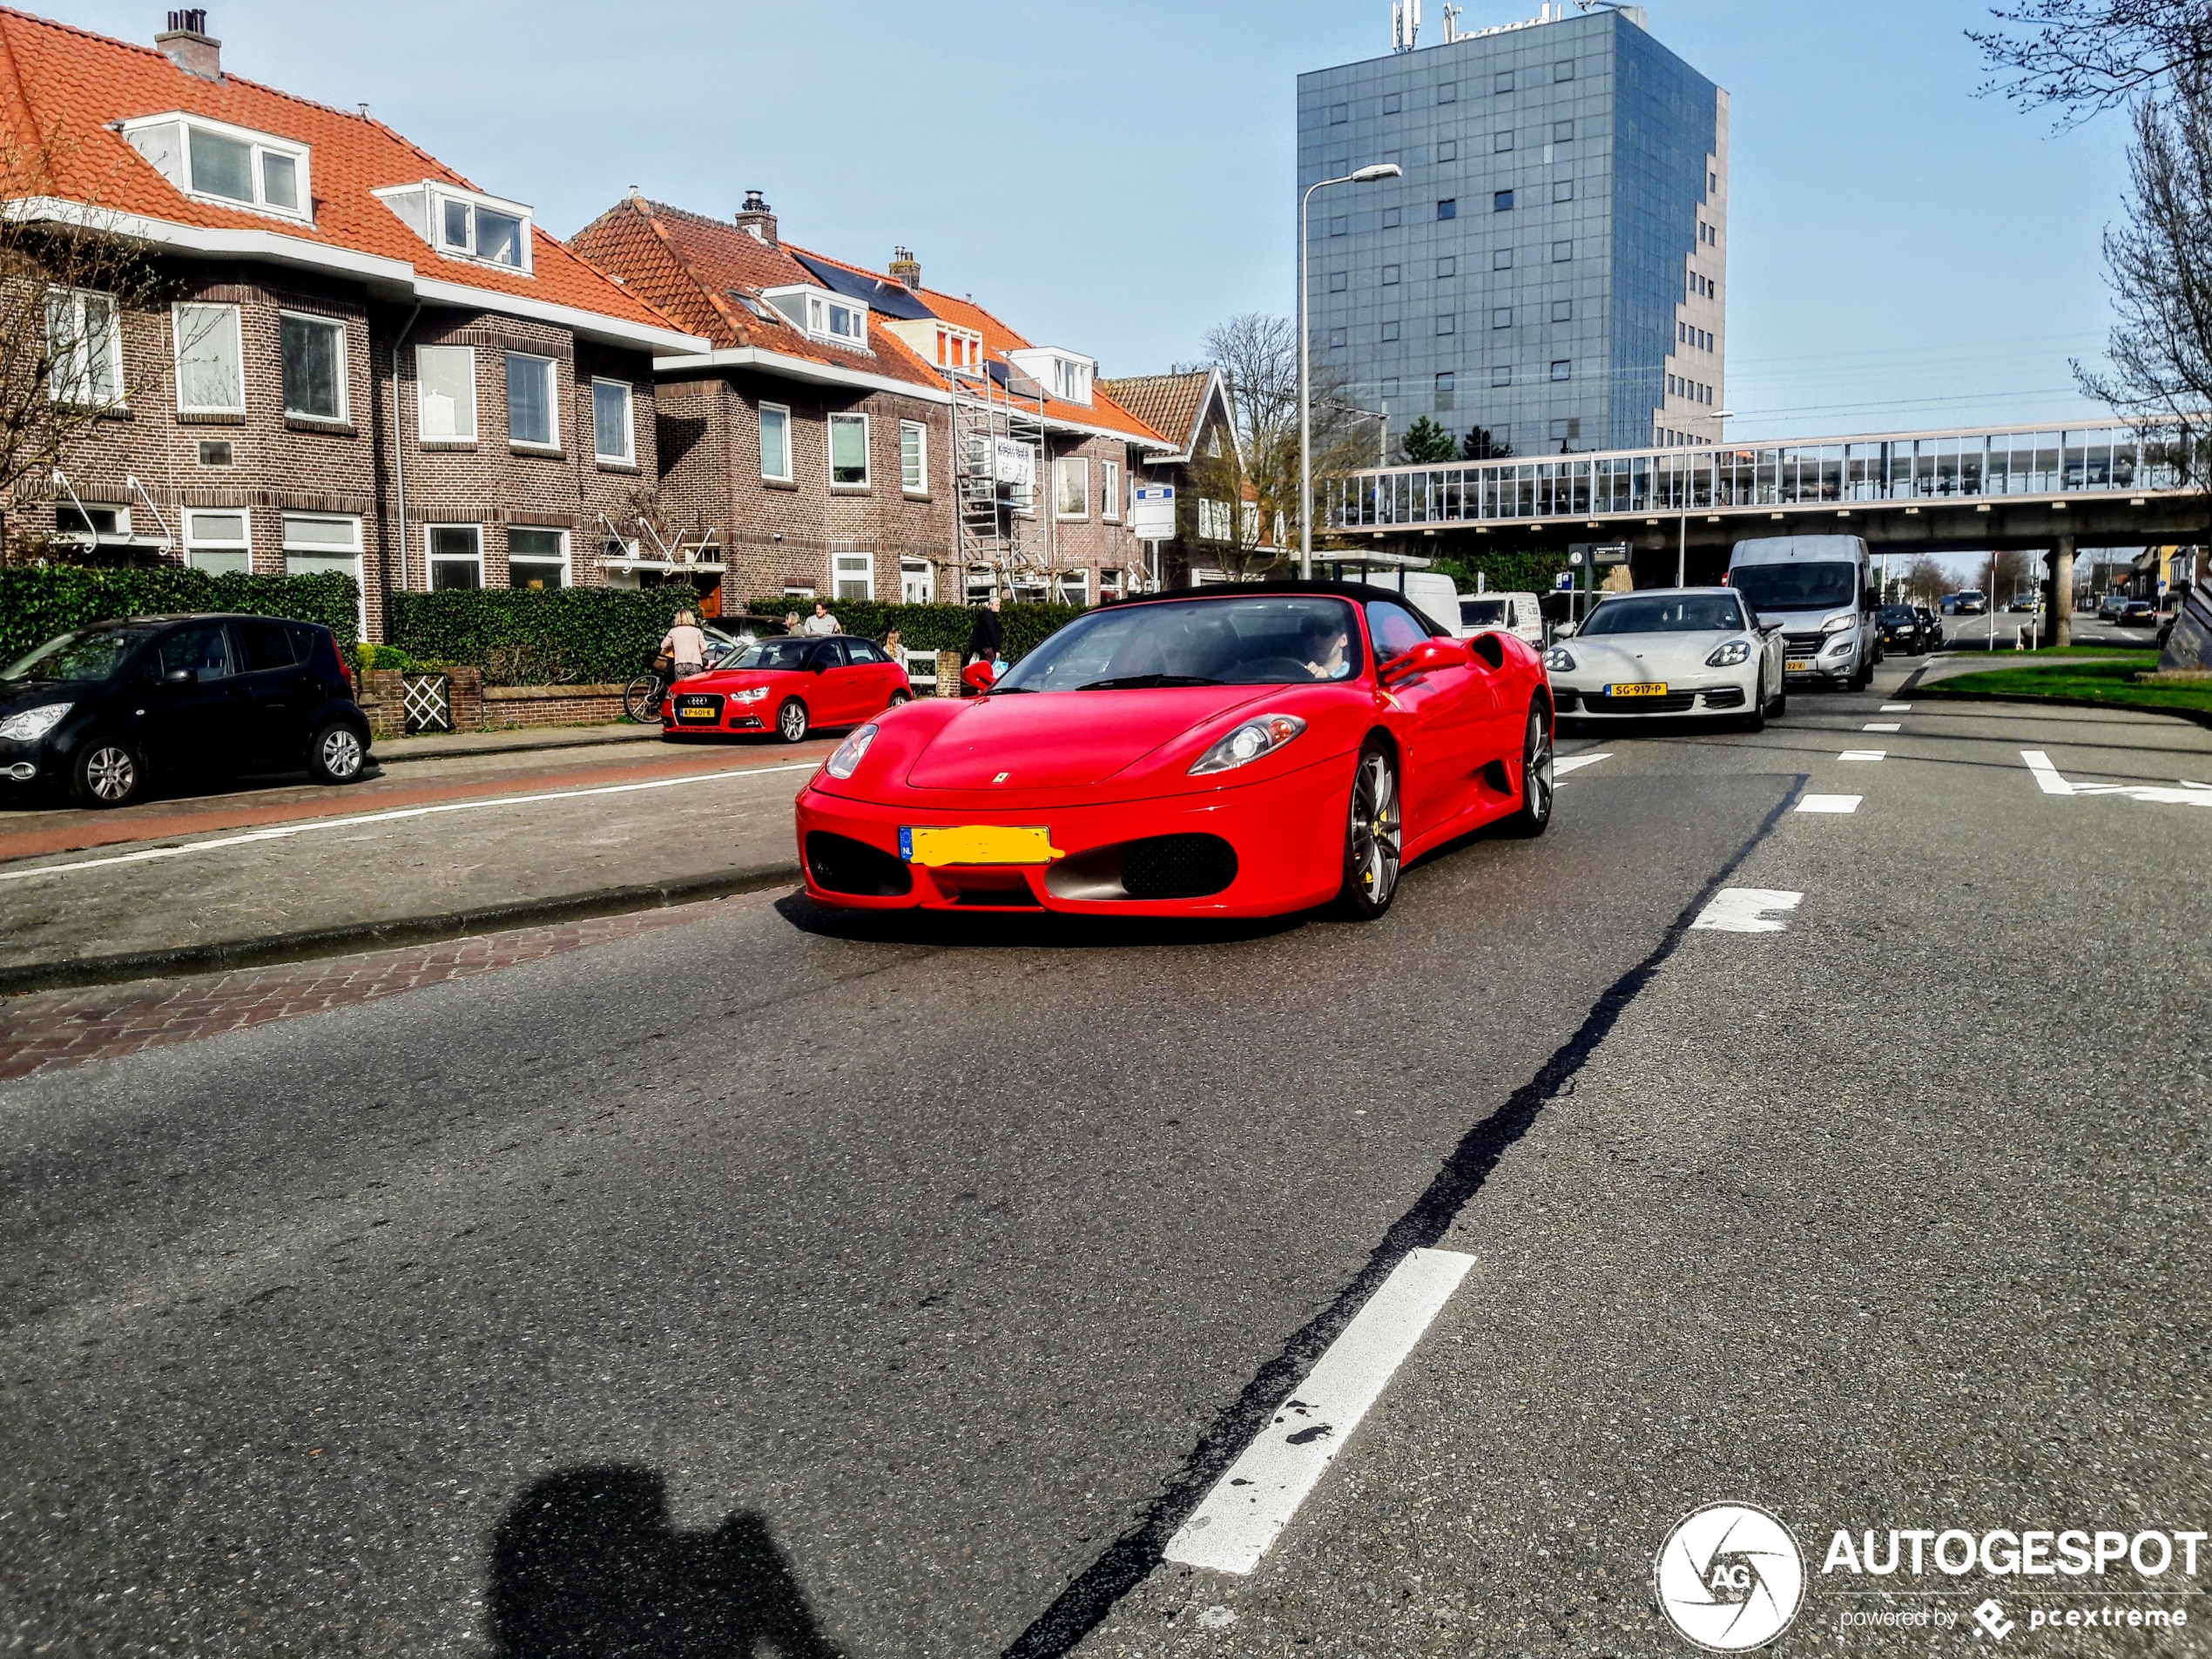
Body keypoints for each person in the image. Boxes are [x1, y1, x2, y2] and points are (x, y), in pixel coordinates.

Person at [660, 609, 708, 681]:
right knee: (694, 689)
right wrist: (698, 653)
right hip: (695, 664)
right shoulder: (697, 631)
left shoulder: (673, 631)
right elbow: (705, 648)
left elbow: (663, 645)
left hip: (680, 664)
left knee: (682, 688)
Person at [1301, 613, 1351, 680]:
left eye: (1325, 631)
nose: (1315, 639)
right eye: (1308, 632)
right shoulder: (1294, 674)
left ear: (1343, 640)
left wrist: (1327, 680)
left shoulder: (1356, 675)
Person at [967, 594, 1003, 664]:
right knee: (991, 666)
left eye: (999, 605)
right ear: (991, 605)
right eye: (996, 605)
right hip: (987, 647)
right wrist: (996, 651)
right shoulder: (989, 617)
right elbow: (992, 633)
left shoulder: (986, 616)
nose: (998, 607)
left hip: (983, 646)